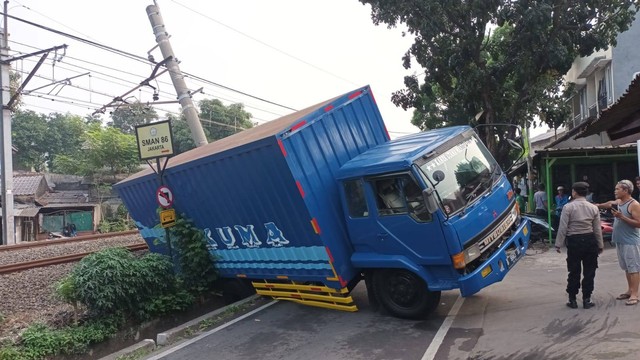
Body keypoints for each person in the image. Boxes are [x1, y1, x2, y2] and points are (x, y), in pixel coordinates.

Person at [554, 182, 603, 309]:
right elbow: (597, 229)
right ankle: (587, 299)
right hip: (590, 241)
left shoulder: (568, 207)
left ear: (574, 192)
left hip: (574, 242)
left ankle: (572, 299)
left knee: (574, 271)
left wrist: (558, 244)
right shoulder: (593, 208)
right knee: (589, 271)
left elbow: (563, 227)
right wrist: (600, 244)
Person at [596, 179, 640, 306]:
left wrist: (622, 217)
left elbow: (639, 223)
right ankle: (630, 290)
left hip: (630, 241)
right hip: (620, 240)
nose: (615, 191)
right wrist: (597, 205)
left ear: (625, 190)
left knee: (634, 268)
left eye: (617, 189)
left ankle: (635, 294)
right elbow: (609, 203)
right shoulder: (620, 202)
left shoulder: (634, 204)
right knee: (626, 267)